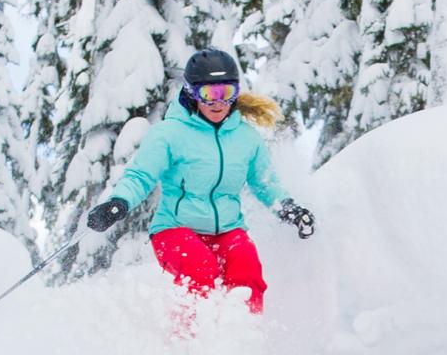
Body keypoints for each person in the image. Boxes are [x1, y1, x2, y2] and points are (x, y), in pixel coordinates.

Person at [85, 47, 315, 316]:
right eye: (209, 94)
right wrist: (119, 202)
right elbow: (140, 175)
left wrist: (288, 208)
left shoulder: (246, 138)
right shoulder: (169, 133)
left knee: (247, 271)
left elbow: (265, 183)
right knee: (200, 270)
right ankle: (193, 345)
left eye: (226, 92)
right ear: (192, 94)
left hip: (228, 229)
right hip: (175, 229)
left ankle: (245, 341)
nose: (218, 102)